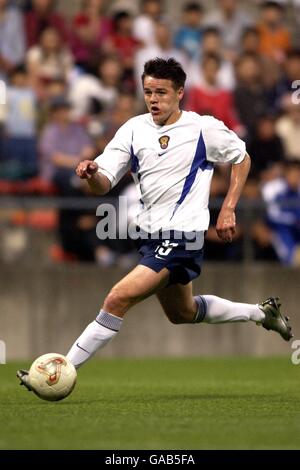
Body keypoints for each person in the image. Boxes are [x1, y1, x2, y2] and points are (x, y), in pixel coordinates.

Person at [17, 58, 293, 388]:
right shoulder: (134, 129)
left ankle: (57, 373)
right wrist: (91, 175)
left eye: (161, 92)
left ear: (179, 93)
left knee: (117, 299)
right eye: (148, 92)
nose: (153, 99)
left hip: (183, 236)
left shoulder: (202, 128)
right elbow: (104, 180)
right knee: (183, 313)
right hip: (150, 237)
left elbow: (242, 157)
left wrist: (229, 207)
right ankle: (261, 313)